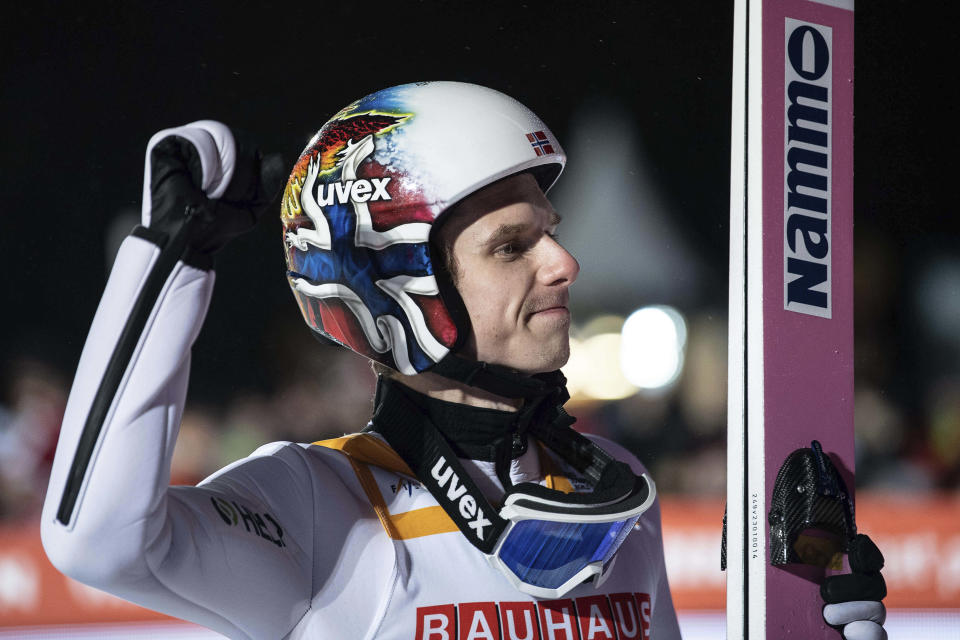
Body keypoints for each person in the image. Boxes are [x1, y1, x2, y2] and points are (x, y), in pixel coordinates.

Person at [41, 82, 885, 640]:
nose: (564, 265)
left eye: (549, 233)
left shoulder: (612, 486)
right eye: (512, 246)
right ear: (399, 283)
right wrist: (168, 262)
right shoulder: (319, 505)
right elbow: (98, 544)